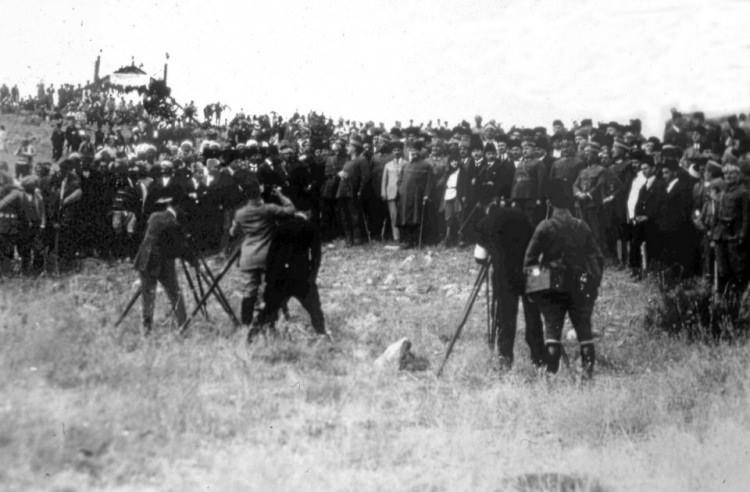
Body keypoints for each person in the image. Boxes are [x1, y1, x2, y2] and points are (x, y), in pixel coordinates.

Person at [523, 178, 604, 379]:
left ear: (550, 203)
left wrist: (535, 289)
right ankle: (587, 379)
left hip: (552, 287)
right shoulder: (581, 226)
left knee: (552, 335)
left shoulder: (544, 226)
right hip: (580, 286)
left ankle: (550, 380)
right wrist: (593, 283)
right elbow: (597, 258)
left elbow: (529, 262)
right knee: (585, 335)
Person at [475, 203, 545, 372]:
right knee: (534, 317)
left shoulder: (484, 223)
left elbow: (479, 257)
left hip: (506, 272)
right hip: (533, 270)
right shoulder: (522, 215)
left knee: (505, 318)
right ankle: (540, 360)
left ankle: (505, 361)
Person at [249, 209, 327, 342]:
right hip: (301, 275)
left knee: (270, 309)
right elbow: (316, 256)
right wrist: (312, 277)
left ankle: (252, 336)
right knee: (314, 309)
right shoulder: (311, 228)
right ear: (306, 215)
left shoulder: (280, 228)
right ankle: (322, 333)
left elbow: (271, 256)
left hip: (279, 276)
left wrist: (269, 280)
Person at [229, 180, 295, 332]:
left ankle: (246, 325)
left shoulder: (240, 213)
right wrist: (280, 195)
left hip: (248, 256)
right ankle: (272, 321)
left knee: (249, 290)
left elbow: (233, 233)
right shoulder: (268, 209)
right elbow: (290, 209)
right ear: (259, 192)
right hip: (268, 255)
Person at [133, 197, 194, 335]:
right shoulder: (173, 222)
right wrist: (193, 261)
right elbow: (180, 248)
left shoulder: (154, 216)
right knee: (175, 293)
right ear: (178, 208)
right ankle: (183, 327)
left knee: (148, 296)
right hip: (163, 262)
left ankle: (146, 330)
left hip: (145, 260)